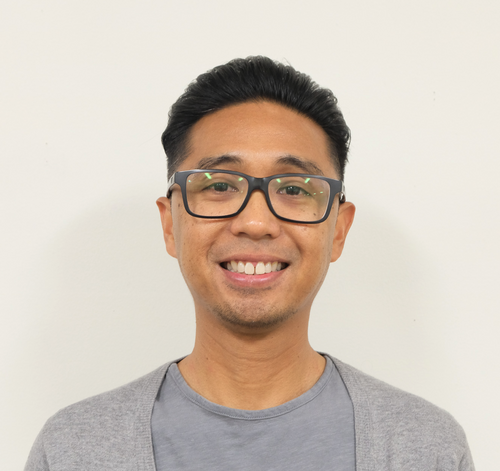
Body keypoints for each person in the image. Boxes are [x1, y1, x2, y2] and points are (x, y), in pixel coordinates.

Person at [25, 56, 474, 471]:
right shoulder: (72, 451)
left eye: (294, 189)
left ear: (338, 229)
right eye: (219, 185)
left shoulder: (426, 448)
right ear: (170, 224)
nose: (256, 222)